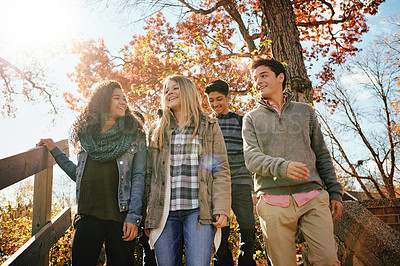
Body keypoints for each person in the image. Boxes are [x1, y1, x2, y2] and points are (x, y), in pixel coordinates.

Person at [242, 56, 343, 266]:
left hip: (313, 198)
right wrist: (282, 167)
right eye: (254, 78)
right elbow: (251, 157)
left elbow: (321, 153)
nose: (257, 81)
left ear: (280, 78)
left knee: (327, 259)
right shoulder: (250, 118)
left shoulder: (305, 111)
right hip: (272, 201)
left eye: (263, 75)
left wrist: (335, 191)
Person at [38, 80, 147, 266]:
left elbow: (138, 176)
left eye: (125, 99)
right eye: (117, 98)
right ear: (103, 101)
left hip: (121, 217)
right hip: (88, 214)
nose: (123, 102)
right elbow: (79, 175)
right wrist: (55, 150)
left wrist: (134, 217)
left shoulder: (135, 135)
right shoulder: (87, 136)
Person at [144, 75, 231, 266]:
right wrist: (148, 215)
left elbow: (220, 169)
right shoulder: (156, 130)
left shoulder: (208, 125)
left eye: (174, 88)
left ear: (187, 91)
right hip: (164, 213)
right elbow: (149, 175)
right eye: (166, 90)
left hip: (198, 211)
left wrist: (222, 207)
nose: (169, 93)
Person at [205, 80, 256, 266]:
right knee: (220, 233)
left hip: (241, 183)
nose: (215, 104)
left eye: (219, 99)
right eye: (211, 100)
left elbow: (250, 154)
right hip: (218, 187)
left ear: (228, 97)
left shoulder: (241, 121)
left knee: (248, 229)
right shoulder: (207, 124)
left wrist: (253, 187)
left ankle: (245, 262)